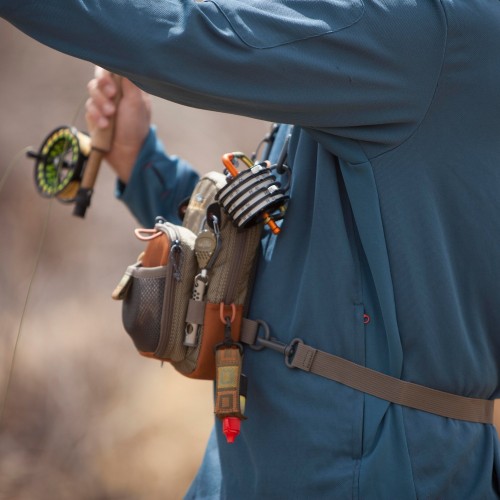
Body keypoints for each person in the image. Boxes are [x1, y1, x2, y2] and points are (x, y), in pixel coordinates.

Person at [2, 1, 500, 498]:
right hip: (280, 461)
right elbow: (279, 255)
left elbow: (190, 36)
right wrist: (140, 162)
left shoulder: (416, 28)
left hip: (353, 470)